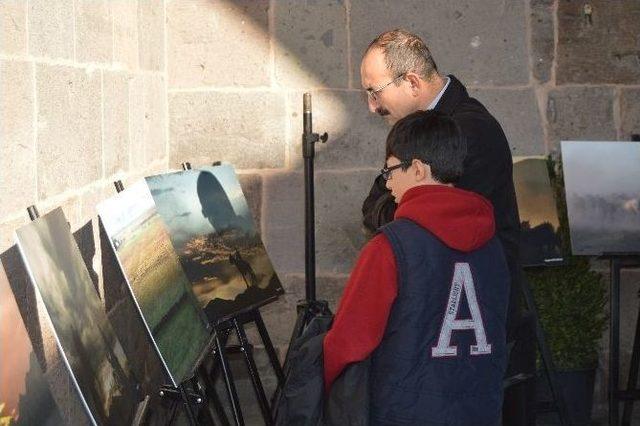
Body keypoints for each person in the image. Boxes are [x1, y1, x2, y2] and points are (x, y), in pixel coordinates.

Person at [359, 29, 533, 424]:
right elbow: (375, 202)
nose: (372, 106)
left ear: (412, 82)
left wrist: (402, 212)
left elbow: (426, 219)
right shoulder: (422, 130)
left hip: (468, 320)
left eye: (375, 91)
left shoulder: (470, 129)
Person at [324, 110, 510, 425]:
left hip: (405, 410)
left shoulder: (390, 247)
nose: (388, 182)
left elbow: (348, 344)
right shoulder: (493, 245)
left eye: (391, 170)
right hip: (479, 408)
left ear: (419, 170)